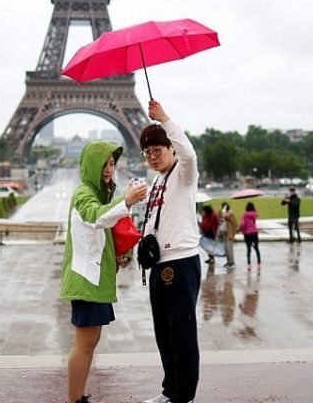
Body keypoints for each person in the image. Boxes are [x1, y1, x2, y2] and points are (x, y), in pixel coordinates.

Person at [60, 142, 147, 403]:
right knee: (84, 343)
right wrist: (127, 201)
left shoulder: (99, 195)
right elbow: (95, 218)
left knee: (91, 342)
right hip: (87, 280)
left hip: (94, 280)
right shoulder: (84, 194)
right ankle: (73, 400)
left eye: (111, 164)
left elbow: (105, 232)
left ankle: (79, 397)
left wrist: (122, 255)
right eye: (104, 164)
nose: (109, 169)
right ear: (91, 165)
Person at [139, 100, 201, 403]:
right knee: (164, 333)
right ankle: (171, 391)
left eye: (157, 150)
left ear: (170, 149)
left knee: (182, 333)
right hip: (159, 263)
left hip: (180, 262)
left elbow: (189, 153)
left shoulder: (184, 174)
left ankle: (184, 396)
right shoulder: (157, 181)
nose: (152, 157)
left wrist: (164, 119)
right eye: (148, 152)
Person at [239, 202, 261, 271]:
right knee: (257, 248)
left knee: (248, 249)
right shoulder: (254, 214)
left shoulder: (244, 215)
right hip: (254, 233)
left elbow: (242, 224)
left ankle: (249, 264)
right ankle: (259, 264)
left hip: (247, 233)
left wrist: (242, 230)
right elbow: (257, 213)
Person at [220, 202, 237, 269]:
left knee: (229, 249)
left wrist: (223, 209)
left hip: (230, 234)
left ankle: (232, 262)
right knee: (226, 249)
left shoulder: (230, 213)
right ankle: (228, 262)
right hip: (226, 234)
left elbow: (224, 215)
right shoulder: (227, 213)